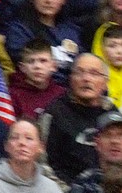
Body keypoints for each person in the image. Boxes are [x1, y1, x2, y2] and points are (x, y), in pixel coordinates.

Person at [45, 53, 112, 185]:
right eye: (79, 73)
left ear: (105, 83)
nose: (86, 79)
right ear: (70, 79)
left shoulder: (112, 114)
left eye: (94, 73)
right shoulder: (54, 113)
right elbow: (44, 165)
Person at [4, 0, 80, 83]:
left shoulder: (72, 31)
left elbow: (80, 64)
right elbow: (26, 65)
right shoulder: (19, 30)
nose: (48, 0)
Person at [8, 39, 65, 122]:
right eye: (31, 61)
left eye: (43, 61)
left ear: (54, 66)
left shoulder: (62, 94)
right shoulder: (12, 95)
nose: (37, 66)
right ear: (22, 67)